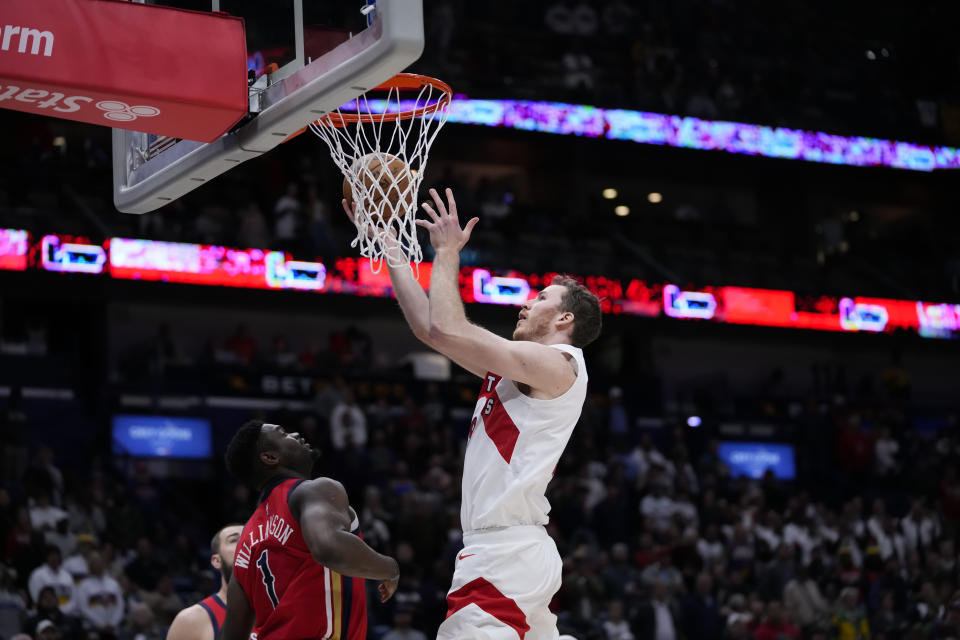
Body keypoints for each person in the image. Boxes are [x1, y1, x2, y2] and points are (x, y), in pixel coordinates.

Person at [365, 188, 602, 639]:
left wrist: (448, 252)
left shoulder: (559, 364)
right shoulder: (520, 368)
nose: (527, 301)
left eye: (541, 297)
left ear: (564, 320)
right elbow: (432, 332)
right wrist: (389, 245)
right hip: (510, 547)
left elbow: (447, 326)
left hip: (505, 551)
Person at [218, 421, 399, 640]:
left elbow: (231, 634)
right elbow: (330, 549)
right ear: (270, 457)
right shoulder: (313, 491)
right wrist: (390, 568)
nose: (295, 433)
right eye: (283, 434)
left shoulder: (246, 539)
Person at [165, 524, 243, 640]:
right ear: (217, 561)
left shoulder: (277, 612)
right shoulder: (191, 621)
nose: (245, 543)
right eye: (234, 540)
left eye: (248, 538)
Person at [74, 550, 124, 638]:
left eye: (101, 562)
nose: (99, 565)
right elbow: (83, 608)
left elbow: (120, 605)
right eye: (95, 563)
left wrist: (113, 623)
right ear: (90, 565)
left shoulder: (113, 583)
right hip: (93, 629)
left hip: (113, 628)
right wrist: (100, 624)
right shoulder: (84, 585)